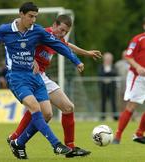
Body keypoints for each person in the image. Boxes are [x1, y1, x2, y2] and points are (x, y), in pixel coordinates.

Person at [0, 2, 85, 159]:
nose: (33, 20)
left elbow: (60, 45)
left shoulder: (37, 31)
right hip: (17, 77)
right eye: (30, 16)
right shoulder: (6, 29)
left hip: (36, 77)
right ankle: (56, 144)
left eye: (35, 17)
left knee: (48, 114)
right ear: (21, 14)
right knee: (35, 108)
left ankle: (18, 142)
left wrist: (76, 61)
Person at [7, 14, 101, 158]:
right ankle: (16, 138)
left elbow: (68, 46)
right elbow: (21, 44)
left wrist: (86, 53)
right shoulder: (41, 34)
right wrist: (30, 60)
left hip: (42, 77)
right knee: (43, 113)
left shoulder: (58, 38)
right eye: (61, 30)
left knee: (68, 107)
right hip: (28, 75)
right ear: (54, 25)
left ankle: (70, 147)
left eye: (65, 32)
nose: (62, 34)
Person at [113, 18, 145, 144]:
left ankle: (139, 134)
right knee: (132, 106)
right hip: (137, 77)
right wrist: (137, 66)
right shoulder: (138, 39)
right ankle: (117, 136)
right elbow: (128, 56)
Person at [98, 52, 118, 120]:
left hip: (112, 86)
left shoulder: (113, 66)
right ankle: (102, 117)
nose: (108, 60)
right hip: (103, 86)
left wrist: (107, 73)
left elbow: (115, 73)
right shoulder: (101, 66)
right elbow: (100, 74)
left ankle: (115, 117)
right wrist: (108, 73)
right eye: (107, 58)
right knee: (103, 101)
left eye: (109, 58)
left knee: (113, 101)